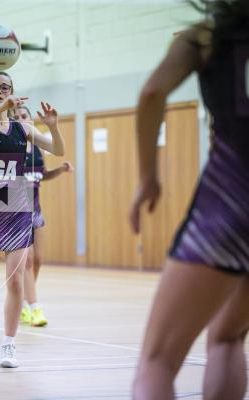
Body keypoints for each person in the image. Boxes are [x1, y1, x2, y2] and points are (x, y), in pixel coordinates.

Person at [129, 1, 249, 398]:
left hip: (230, 205)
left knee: (157, 361)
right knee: (229, 338)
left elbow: (152, 93)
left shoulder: (207, 34)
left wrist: (148, 177)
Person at [0, 71, 64, 368]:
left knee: (16, 279)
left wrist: (53, 127)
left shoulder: (22, 128)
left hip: (19, 211)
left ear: (13, 91)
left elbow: (58, 150)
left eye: (4, 87)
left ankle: (9, 345)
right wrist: (2, 105)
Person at [13, 105, 74, 327]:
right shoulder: (11, 149)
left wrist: (60, 171)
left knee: (38, 260)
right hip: (16, 213)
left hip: (36, 210)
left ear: (31, 119)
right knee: (27, 260)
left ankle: (21, 301)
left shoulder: (38, 148)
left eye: (24, 116)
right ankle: (35, 307)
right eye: (16, 117)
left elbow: (42, 175)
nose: (21, 119)